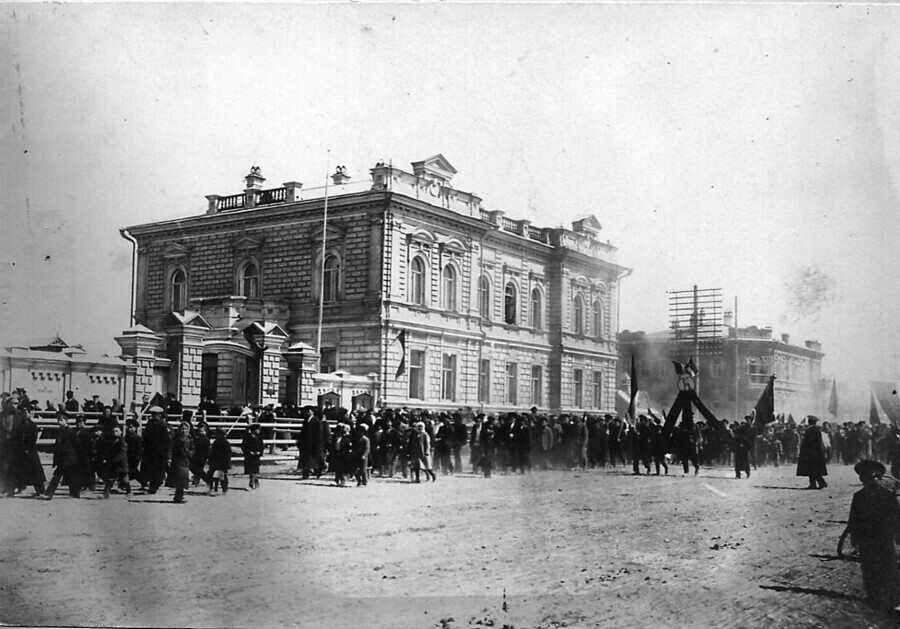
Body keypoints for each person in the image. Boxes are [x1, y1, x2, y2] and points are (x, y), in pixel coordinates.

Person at [845, 459, 900, 611]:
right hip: (866, 539)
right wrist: (854, 536)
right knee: (869, 568)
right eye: (866, 479)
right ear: (862, 480)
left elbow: (896, 516)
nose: (870, 481)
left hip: (884, 537)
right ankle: (874, 597)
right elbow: (854, 519)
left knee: (888, 566)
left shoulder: (888, 496)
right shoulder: (859, 497)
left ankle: (894, 598)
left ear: (879, 478)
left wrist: (898, 533)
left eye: (873, 478)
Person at [42, 410, 83, 500]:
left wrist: (74, 456)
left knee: (57, 476)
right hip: (63, 458)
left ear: (66, 421)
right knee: (70, 476)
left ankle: (49, 493)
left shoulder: (70, 431)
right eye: (58, 420)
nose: (59, 422)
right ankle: (75, 493)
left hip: (69, 457)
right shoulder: (60, 431)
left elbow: (77, 445)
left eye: (61, 420)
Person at [11, 402, 46, 496]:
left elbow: (33, 439)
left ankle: (40, 490)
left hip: (31, 452)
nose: (25, 414)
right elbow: (17, 437)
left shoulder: (32, 425)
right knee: (19, 470)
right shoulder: (19, 425)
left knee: (35, 471)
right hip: (21, 452)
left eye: (27, 412)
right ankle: (18, 487)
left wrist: (28, 448)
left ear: (30, 414)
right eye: (23, 412)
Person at [141, 406, 171, 494]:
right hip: (149, 451)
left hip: (159, 452)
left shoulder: (162, 425)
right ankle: (148, 485)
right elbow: (145, 436)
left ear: (160, 415)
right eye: (152, 414)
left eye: (156, 414)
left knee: (157, 471)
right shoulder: (149, 423)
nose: (153, 416)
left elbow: (166, 440)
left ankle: (154, 487)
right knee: (148, 470)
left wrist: (165, 453)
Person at [98, 424, 131, 498]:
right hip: (113, 464)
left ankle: (129, 492)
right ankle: (106, 494)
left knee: (125, 479)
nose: (115, 432)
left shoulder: (123, 443)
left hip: (121, 464)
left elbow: (122, 454)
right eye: (113, 431)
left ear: (121, 432)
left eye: (117, 431)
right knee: (109, 479)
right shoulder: (111, 441)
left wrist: (113, 461)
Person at [796, 416, 828, 489]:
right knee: (815, 470)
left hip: (810, 454)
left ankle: (815, 484)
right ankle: (820, 483)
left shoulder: (810, 431)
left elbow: (808, 443)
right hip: (817, 453)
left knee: (811, 470)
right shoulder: (817, 430)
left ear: (809, 422)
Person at [166, 421, 194, 503]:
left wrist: (190, 453)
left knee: (184, 479)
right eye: (182, 429)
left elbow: (193, 449)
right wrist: (169, 459)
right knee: (179, 479)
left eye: (185, 429)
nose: (183, 431)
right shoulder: (175, 439)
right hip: (177, 461)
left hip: (186, 461)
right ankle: (178, 496)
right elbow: (170, 449)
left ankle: (179, 495)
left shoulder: (190, 439)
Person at [207, 427, 232, 493]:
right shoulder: (216, 442)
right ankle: (215, 488)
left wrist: (226, 463)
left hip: (222, 463)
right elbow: (212, 452)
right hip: (215, 462)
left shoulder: (225, 443)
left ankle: (223, 488)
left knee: (221, 476)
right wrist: (210, 460)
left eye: (216, 433)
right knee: (214, 476)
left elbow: (228, 454)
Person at [241, 423, 264, 489]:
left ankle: (252, 481)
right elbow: (244, 446)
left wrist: (260, 452)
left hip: (256, 456)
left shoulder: (259, 437)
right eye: (257, 429)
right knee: (251, 469)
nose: (259, 431)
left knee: (255, 469)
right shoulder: (247, 437)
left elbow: (262, 446)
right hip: (249, 455)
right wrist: (248, 452)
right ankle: (255, 480)